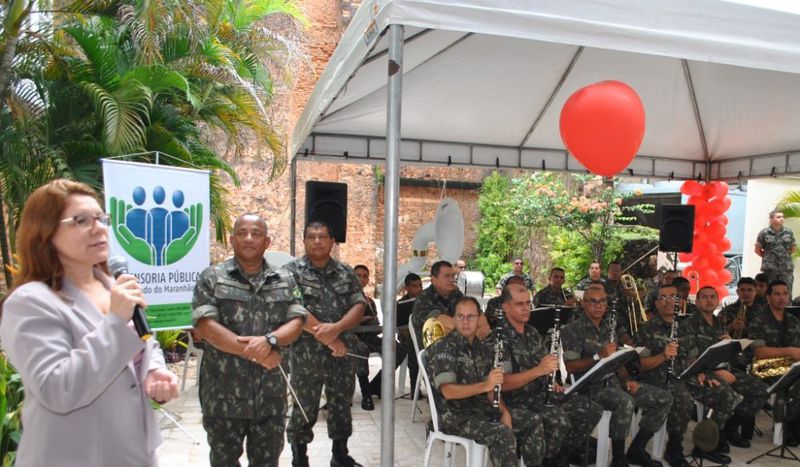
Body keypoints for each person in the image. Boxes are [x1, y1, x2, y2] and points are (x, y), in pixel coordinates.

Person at [0, 179, 179, 466]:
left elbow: (144, 340)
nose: (98, 228)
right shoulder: (30, 302)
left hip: (129, 450)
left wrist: (154, 369)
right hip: (72, 456)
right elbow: (57, 389)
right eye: (81, 220)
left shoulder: (110, 284)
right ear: (45, 232)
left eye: (101, 218)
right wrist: (115, 322)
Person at [192, 214, 306, 466]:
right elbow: (206, 327)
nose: (249, 238)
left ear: (267, 241)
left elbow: (298, 321)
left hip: (270, 396)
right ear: (232, 239)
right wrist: (258, 351)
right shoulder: (211, 277)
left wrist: (270, 340)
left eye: (256, 233)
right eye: (242, 233)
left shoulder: (286, 279)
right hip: (222, 396)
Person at [285, 221, 367, 467]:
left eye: (323, 236)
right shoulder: (291, 272)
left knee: (341, 403)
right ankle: (300, 459)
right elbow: (293, 308)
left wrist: (337, 329)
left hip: (342, 350)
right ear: (304, 241)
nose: (317, 241)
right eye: (312, 236)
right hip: (305, 353)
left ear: (333, 241)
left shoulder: (345, 272)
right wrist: (328, 337)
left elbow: (358, 304)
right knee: (303, 405)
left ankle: (340, 456)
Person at [561, 285, 671, 467]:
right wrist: (598, 356)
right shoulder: (572, 329)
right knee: (624, 402)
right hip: (591, 388)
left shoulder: (609, 327)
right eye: (593, 301)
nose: (598, 305)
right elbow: (571, 367)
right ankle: (618, 458)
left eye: (602, 301)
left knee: (664, 398)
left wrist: (628, 380)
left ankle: (636, 449)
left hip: (616, 382)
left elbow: (616, 361)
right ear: (583, 304)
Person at [426, 296, 543, 467]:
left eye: (471, 317)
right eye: (460, 316)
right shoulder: (445, 347)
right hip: (455, 416)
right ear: (454, 318)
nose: (465, 322)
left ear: (479, 319)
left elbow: (491, 390)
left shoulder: (481, 348)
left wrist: (504, 412)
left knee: (532, 420)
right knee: (501, 434)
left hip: (481, 410)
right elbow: (448, 392)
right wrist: (485, 385)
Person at [499, 284, 603, 467]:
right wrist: (539, 371)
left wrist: (552, 380)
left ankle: (559, 457)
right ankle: (547, 460)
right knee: (559, 420)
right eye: (519, 304)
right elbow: (503, 384)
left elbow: (544, 366)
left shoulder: (531, 332)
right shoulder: (499, 339)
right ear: (506, 307)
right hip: (515, 401)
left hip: (540, 395)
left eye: (528, 303)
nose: (526, 308)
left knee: (590, 409)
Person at [636, 285, 734, 466]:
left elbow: (693, 358)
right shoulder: (646, 329)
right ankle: (674, 449)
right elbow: (641, 365)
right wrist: (663, 355)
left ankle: (705, 445)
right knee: (684, 399)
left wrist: (704, 372)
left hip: (685, 376)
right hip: (658, 377)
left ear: (679, 302)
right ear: (656, 303)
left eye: (672, 296)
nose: (668, 301)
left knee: (725, 394)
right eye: (663, 297)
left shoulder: (685, 328)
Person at [688, 286, 768, 450]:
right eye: (704, 297)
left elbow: (723, 353)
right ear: (696, 302)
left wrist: (731, 344)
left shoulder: (720, 323)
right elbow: (691, 359)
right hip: (702, 373)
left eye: (712, 297)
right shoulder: (689, 324)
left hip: (725, 369)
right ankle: (707, 444)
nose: (709, 300)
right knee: (727, 395)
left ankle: (728, 429)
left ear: (718, 301)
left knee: (761, 390)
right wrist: (715, 371)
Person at [746, 279, 800, 446]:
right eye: (777, 294)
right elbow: (760, 353)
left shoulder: (793, 321)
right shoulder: (758, 319)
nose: (781, 297)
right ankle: (789, 428)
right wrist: (790, 351)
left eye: (785, 293)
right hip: (763, 368)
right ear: (768, 297)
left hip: (789, 367)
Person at [353, 265, 408, 406]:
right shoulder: (345, 299)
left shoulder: (370, 301)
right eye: (358, 275)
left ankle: (376, 385)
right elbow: (342, 322)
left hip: (370, 337)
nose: (361, 279)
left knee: (399, 349)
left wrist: (380, 327)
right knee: (360, 349)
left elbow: (376, 325)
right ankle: (366, 394)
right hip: (352, 339)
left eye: (365, 276)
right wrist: (360, 319)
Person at [411, 260, 490, 345]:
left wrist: (481, 324)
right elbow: (445, 323)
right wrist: (472, 330)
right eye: (446, 276)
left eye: (453, 276)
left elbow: (476, 312)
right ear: (433, 280)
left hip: (461, 345)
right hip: (435, 350)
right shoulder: (424, 298)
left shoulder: (455, 293)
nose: (451, 279)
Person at [755, 209, 797, 293]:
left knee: (787, 292)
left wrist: (784, 256)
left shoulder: (788, 232)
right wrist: (768, 257)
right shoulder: (764, 233)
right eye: (778, 217)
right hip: (770, 270)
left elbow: (793, 248)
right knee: (769, 292)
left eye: (782, 217)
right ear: (771, 219)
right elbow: (757, 250)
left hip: (785, 269)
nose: (782, 219)